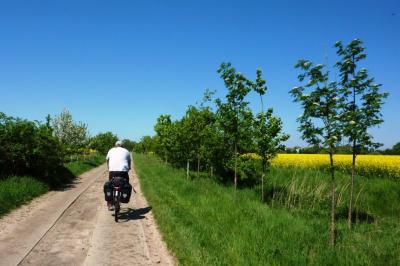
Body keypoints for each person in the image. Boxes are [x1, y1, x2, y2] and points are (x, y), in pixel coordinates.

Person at [106, 140, 132, 210]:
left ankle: (109, 204)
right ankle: (124, 197)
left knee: (110, 185)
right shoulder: (126, 151)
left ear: (115, 145)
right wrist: (129, 167)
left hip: (112, 172)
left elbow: (107, 160)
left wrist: (109, 167)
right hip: (123, 172)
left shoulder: (111, 150)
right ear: (122, 146)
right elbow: (129, 161)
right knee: (126, 184)